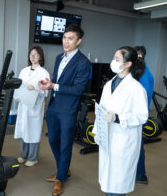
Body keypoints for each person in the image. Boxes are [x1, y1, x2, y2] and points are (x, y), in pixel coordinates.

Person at [38, 24, 91, 196]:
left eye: (70, 38)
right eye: (64, 37)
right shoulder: (59, 57)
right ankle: (64, 169)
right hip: (54, 106)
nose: (66, 42)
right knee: (53, 140)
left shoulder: (83, 62)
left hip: (68, 109)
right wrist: (49, 86)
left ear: (78, 41)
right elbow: (57, 81)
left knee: (66, 144)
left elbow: (77, 89)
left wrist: (55, 85)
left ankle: (61, 178)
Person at [92, 46, 148, 196]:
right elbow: (101, 111)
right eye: (113, 58)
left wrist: (118, 117)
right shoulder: (109, 84)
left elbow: (142, 116)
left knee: (117, 187)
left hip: (124, 142)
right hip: (108, 139)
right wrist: (97, 132)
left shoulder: (136, 89)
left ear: (128, 64)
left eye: (117, 59)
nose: (113, 62)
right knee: (108, 183)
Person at [14, 46, 50, 167]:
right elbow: (18, 86)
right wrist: (17, 96)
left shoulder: (44, 73)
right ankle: (23, 155)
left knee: (33, 132)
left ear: (40, 57)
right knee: (24, 130)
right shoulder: (24, 71)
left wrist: (35, 88)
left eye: (36, 55)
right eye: (31, 55)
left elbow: (46, 92)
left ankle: (33, 157)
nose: (33, 57)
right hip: (24, 105)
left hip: (35, 107)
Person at [134, 46, 154, 184]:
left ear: (139, 57)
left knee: (137, 145)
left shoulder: (144, 75)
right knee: (136, 145)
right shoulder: (139, 71)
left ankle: (141, 175)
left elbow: (142, 97)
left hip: (138, 116)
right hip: (136, 115)